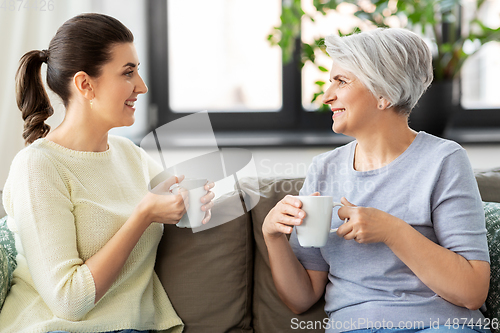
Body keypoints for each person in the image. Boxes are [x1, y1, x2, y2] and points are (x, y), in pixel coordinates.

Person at [262, 28, 491, 333]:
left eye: (341, 82)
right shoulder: (323, 170)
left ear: (384, 95)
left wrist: (391, 230)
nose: (327, 96)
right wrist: (272, 237)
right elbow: (301, 299)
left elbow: (472, 292)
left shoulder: (444, 160)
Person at [0, 13, 214, 333]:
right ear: (85, 84)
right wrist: (143, 215)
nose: (141, 86)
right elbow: (69, 301)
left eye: (138, 71)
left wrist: (193, 201)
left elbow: (179, 203)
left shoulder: (130, 154)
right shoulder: (37, 167)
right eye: (128, 73)